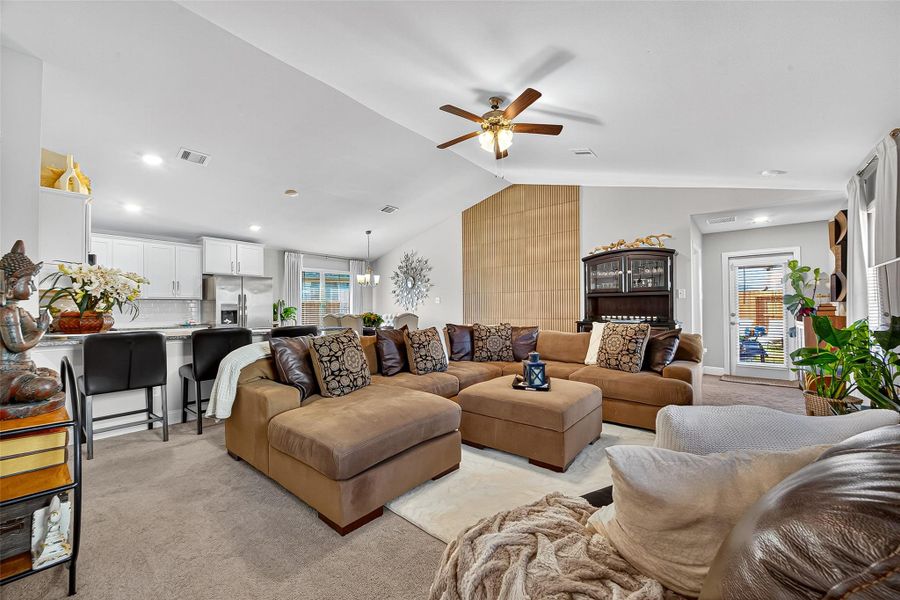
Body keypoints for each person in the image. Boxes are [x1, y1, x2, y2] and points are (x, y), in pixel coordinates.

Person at [0, 240, 65, 418]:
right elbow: (16, 346)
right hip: (8, 376)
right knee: (51, 385)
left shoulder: (16, 311)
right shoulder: (6, 312)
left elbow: (28, 331)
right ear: (13, 283)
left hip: (24, 370)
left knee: (54, 377)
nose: (34, 288)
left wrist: (40, 325)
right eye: (30, 283)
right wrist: (42, 329)